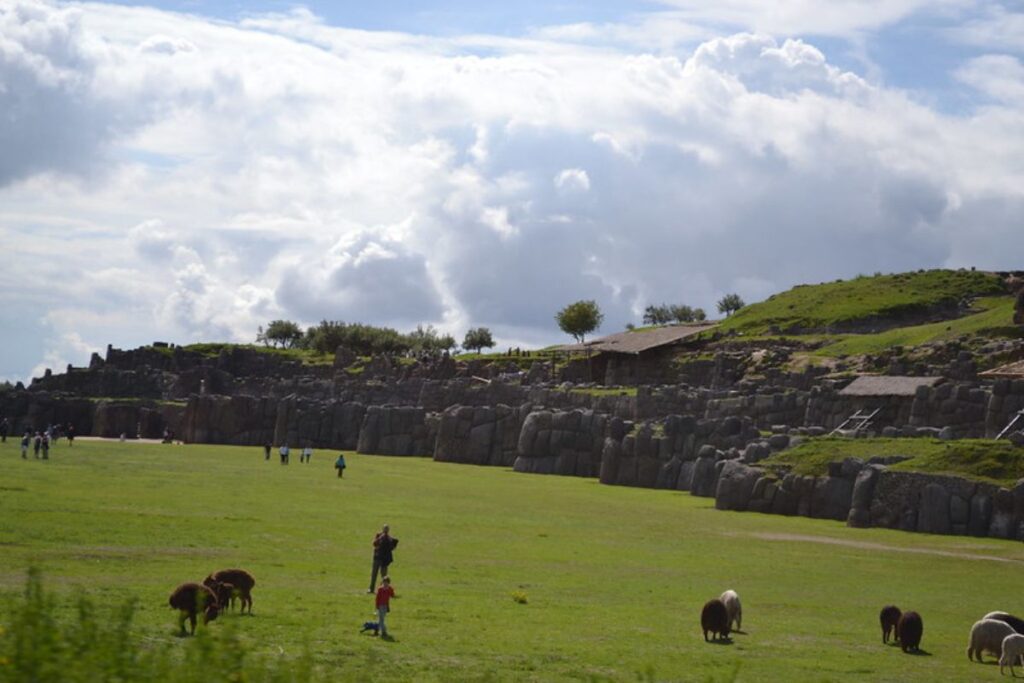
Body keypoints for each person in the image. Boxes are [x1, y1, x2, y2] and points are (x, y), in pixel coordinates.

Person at [368, 525, 398, 593]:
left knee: (384, 576)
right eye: (385, 529)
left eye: (387, 529)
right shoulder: (379, 535)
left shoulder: (389, 538)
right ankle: (371, 589)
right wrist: (380, 538)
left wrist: (391, 541)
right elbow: (374, 544)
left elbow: (392, 547)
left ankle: (383, 589)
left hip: (384, 560)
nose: (385, 531)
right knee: (374, 574)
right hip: (377, 558)